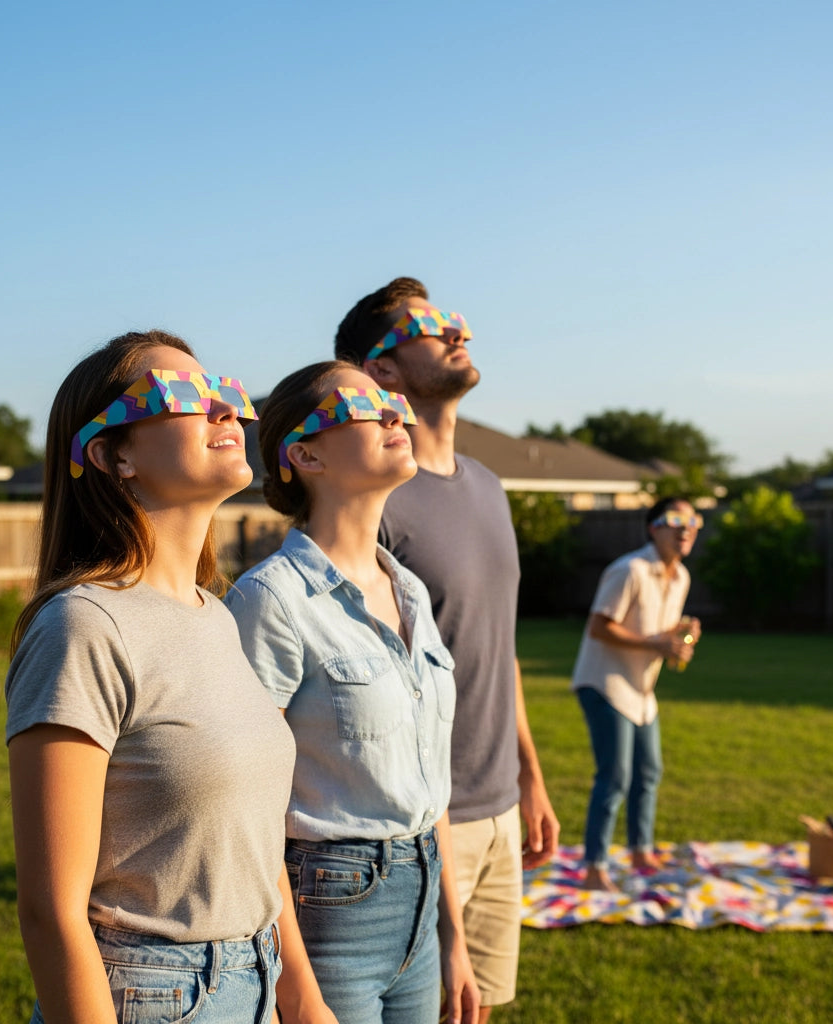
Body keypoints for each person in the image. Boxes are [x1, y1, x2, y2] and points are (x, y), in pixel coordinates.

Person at [5, 330, 333, 1024]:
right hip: (150, 994)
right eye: (184, 395)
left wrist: (299, 1001)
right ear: (110, 454)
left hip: (255, 977)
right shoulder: (83, 625)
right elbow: (51, 912)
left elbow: (250, 839)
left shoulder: (217, 616)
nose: (223, 410)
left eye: (224, 393)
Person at [225, 360, 479, 1024]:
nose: (396, 413)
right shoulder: (270, 601)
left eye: (393, 401)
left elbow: (430, 784)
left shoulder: (412, 591)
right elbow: (246, 814)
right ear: (304, 453)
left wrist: (454, 939)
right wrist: (299, 995)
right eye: (366, 407)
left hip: (423, 908)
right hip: (331, 918)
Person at [334, 278, 560, 1021]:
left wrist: (529, 776)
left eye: (456, 321)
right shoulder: (372, 504)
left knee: (479, 1008)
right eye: (431, 328)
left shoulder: (490, 487)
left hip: (498, 806)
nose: (458, 333)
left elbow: (498, 644)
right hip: (417, 820)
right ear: (382, 372)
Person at [569, 495, 703, 892]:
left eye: (693, 520)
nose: (686, 527)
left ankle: (641, 851)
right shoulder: (629, 570)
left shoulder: (680, 577)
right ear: (654, 527)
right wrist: (657, 644)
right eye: (676, 519)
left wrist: (681, 634)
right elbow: (599, 626)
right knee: (615, 777)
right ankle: (595, 868)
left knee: (649, 772)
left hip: (642, 690)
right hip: (604, 683)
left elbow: (657, 630)